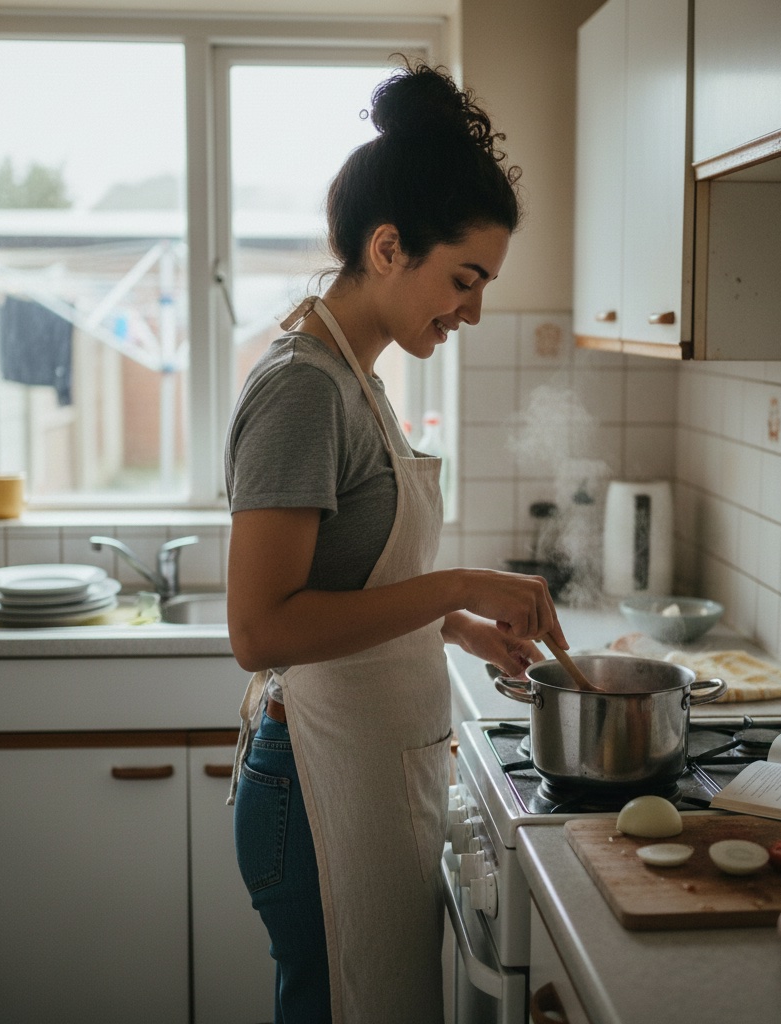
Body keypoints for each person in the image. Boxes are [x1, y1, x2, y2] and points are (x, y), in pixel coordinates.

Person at [224, 58, 567, 1024]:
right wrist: (456, 583)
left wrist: (451, 625)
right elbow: (260, 630)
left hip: (365, 769)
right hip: (316, 787)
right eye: (464, 279)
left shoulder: (358, 378)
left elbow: (341, 585)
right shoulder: (303, 387)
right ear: (387, 247)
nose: (474, 310)